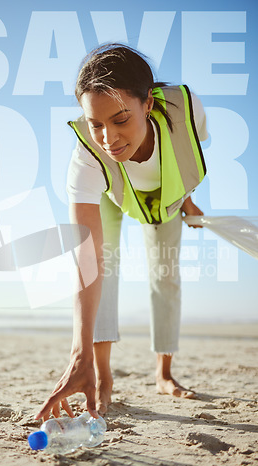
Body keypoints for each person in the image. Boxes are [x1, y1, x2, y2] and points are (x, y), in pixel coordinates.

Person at [35, 43, 208, 421]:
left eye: (120, 119)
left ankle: (163, 375)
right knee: (105, 268)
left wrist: (188, 199)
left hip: (167, 199)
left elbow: (185, 153)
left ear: (148, 103)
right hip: (115, 197)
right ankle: (100, 374)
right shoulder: (88, 158)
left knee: (166, 277)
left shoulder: (186, 108)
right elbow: (87, 260)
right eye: (95, 123)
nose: (108, 138)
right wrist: (78, 354)